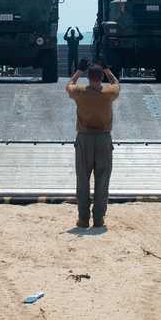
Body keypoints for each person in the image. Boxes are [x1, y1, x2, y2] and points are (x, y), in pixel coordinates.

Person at [65, 58, 120, 229]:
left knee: (83, 178)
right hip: (103, 139)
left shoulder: (80, 92)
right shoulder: (109, 92)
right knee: (102, 179)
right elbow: (116, 82)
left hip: (84, 138)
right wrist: (107, 68)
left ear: (88, 77)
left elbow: (69, 85)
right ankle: (98, 218)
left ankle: (83, 218)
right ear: (101, 77)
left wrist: (79, 70)